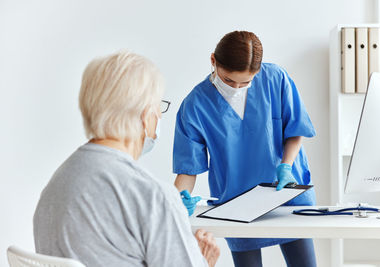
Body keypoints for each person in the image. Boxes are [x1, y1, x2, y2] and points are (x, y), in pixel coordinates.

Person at [33, 51, 220, 267]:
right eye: (158, 106)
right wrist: (203, 262)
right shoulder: (152, 197)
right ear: (145, 115)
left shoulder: (54, 188)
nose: (159, 116)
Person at [173, 31, 317, 267]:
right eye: (229, 80)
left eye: (246, 82)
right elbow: (188, 169)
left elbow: (295, 128)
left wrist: (286, 165)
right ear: (213, 61)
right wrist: (177, 200)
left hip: (286, 193)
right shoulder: (195, 105)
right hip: (237, 205)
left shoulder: (275, 78)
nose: (237, 88)